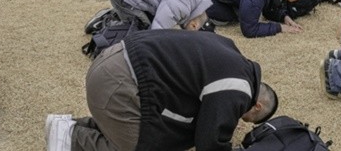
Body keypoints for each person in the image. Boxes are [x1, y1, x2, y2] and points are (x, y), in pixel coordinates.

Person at [46, 30, 277, 151]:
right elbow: (210, 140)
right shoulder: (237, 87)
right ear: (257, 105)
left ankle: (71, 126)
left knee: (145, 130)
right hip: (119, 82)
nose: (241, 121)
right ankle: (69, 138)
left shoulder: (233, 56)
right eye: (247, 119)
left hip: (114, 61)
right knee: (139, 147)